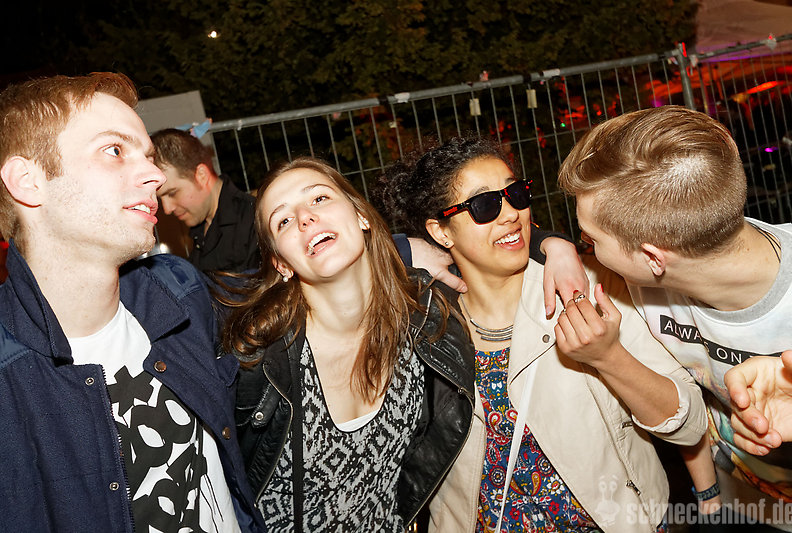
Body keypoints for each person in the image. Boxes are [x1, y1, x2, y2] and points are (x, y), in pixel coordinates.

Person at [376, 136, 707, 532]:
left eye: (515, 193)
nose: (511, 214)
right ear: (441, 231)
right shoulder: (420, 327)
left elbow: (689, 424)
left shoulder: (589, 288)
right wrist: (404, 248)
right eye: (484, 205)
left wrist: (609, 357)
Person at [0, 73, 263, 532]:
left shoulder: (177, 290)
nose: (155, 176)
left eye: (149, 157)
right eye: (114, 150)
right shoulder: (10, 380)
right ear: (29, 181)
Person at [558, 105, 792, 530]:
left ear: (653, 257)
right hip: (737, 499)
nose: (585, 249)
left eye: (590, 240)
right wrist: (552, 246)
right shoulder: (647, 275)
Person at [221, 157, 475, 531]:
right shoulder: (256, 361)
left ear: (362, 216)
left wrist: (553, 245)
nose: (305, 218)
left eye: (319, 198)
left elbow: (498, 237)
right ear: (282, 264)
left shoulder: (422, 317)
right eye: (284, 221)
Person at [151, 128, 259, 272]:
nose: (167, 209)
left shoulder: (254, 221)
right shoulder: (200, 228)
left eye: (172, 193)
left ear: (201, 175)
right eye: (160, 199)